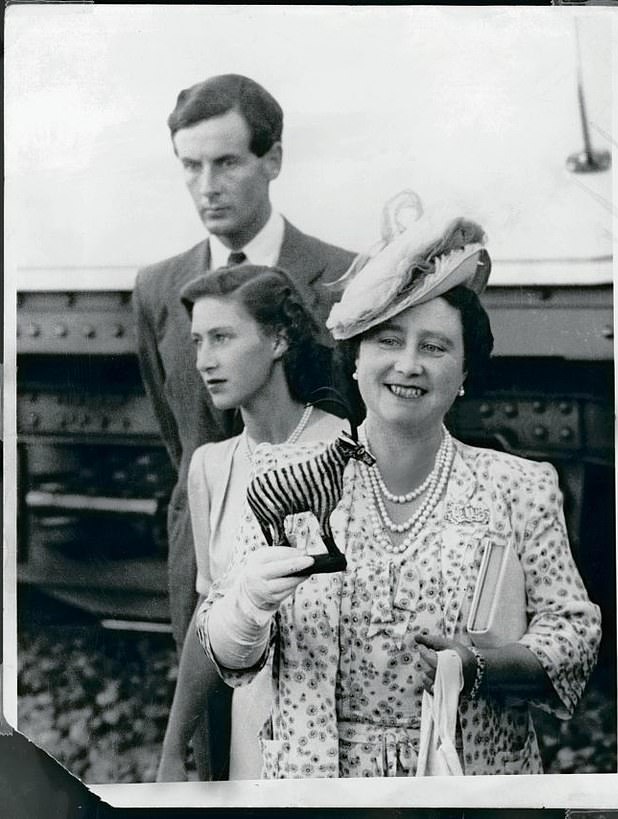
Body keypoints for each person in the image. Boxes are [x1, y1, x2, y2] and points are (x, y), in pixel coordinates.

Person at [196, 194, 602, 777]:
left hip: (468, 781)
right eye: (388, 341)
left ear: (463, 375)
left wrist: (480, 664)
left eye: (434, 347)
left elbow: (575, 633)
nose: (408, 364)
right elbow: (225, 653)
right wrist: (246, 608)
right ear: (356, 360)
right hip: (319, 788)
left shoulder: (519, 486)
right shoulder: (282, 477)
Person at [132, 74, 354, 777]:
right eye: (190, 166)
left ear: (273, 160)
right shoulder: (159, 287)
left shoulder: (339, 275)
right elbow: (179, 427)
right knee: (217, 753)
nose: (206, 185)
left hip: (322, 565)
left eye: (226, 162)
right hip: (203, 561)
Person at [156, 265, 349, 781]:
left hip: (342, 742)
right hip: (253, 736)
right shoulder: (210, 467)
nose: (204, 362)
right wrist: (174, 750)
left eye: (222, 338)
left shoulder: (348, 448)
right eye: (197, 342)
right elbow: (207, 620)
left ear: (279, 339)